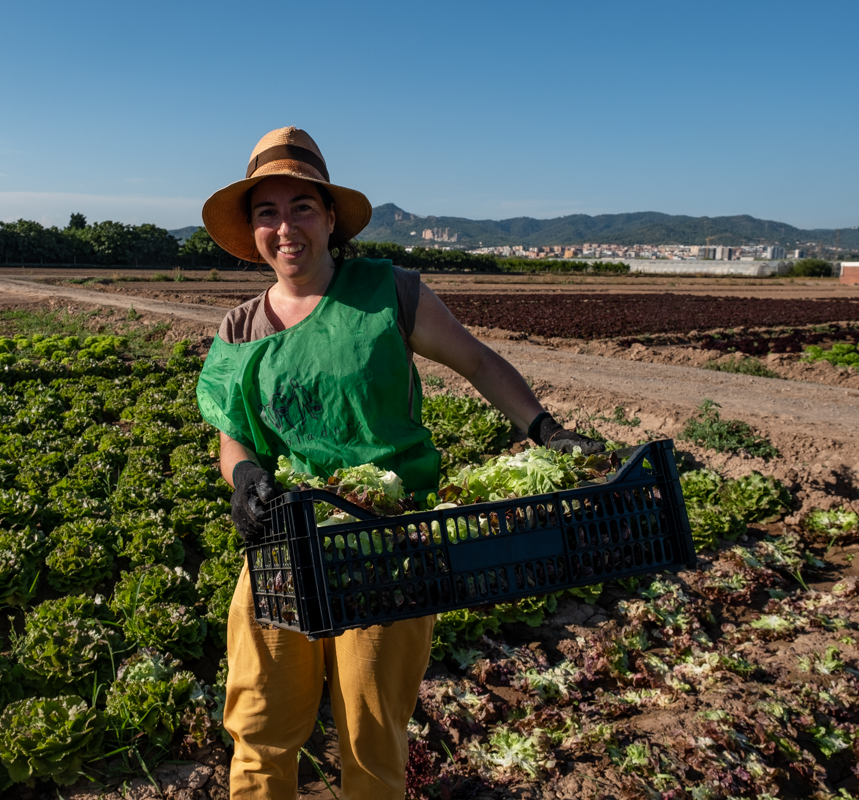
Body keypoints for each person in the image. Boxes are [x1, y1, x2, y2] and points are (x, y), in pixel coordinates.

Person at [195, 126, 602, 799]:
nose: (285, 226)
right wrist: (242, 476)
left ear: (329, 218)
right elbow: (232, 434)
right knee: (261, 726)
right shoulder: (239, 328)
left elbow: (476, 359)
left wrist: (544, 428)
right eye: (267, 211)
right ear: (253, 230)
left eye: (301, 207)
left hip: (386, 543)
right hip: (284, 545)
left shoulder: (387, 294)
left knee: (371, 734)